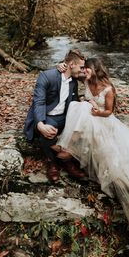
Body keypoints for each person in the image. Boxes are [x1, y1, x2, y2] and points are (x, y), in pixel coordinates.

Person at [53, 57, 129, 257]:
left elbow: (109, 112)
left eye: (87, 69)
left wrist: (96, 111)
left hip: (104, 121)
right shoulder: (87, 81)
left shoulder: (108, 89)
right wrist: (59, 66)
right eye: (84, 69)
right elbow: (70, 70)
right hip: (91, 119)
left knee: (86, 111)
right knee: (80, 107)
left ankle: (68, 148)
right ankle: (69, 146)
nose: (84, 71)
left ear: (95, 69)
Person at [23, 49, 86, 181]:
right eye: (81, 67)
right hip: (47, 116)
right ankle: (54, 162)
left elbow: (73, 103)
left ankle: (67, 159)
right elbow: (38, 102)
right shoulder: (47, 76)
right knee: (49, 130)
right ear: (71, 65)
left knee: (82, 127)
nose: (82, 70)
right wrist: (40, 124)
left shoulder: (74, 80)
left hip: (64, 116)